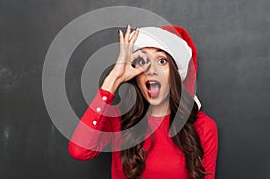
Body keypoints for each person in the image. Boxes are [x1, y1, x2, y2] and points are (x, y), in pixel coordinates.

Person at [68, 25, 218, 179]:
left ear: (175, 73)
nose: (152, 70)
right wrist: (114, 79)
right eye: (142, 60)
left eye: (161, 61)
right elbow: (79, 151)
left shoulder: (202, 126)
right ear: (135, 74)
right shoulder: (118, 120)